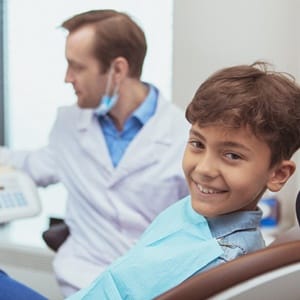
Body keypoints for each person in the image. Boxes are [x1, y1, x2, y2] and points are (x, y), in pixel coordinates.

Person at [66, 61, 300, 299]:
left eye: (232, 155)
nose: (204, 169)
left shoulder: (221, 262)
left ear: (278, 174)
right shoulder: (195, 211)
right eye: (197, 144)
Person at [0, 9, 189, 296]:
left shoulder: (183, 137)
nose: (67, 78)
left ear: (118, 70)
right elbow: (30, 164)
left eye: (76, 67)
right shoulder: (69, 124)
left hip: (151, 289)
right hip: (81, 284)